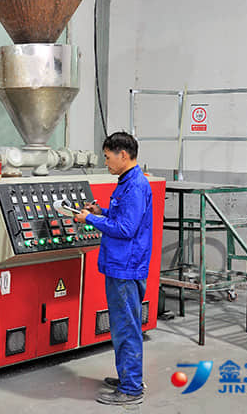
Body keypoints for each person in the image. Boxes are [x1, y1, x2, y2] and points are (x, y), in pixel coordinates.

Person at [74, 132, 152, 406]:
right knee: (122, 327)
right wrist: (101, 211)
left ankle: (131, 388)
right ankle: (127, 378)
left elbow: (126, 229)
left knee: (126, 328)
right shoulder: (128, 182)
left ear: (123, 155)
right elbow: (122, 217)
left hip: (126, 268)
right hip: (121, 265)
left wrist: (91, 219)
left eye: (108, 157)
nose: (106, 162)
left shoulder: (136, 186)